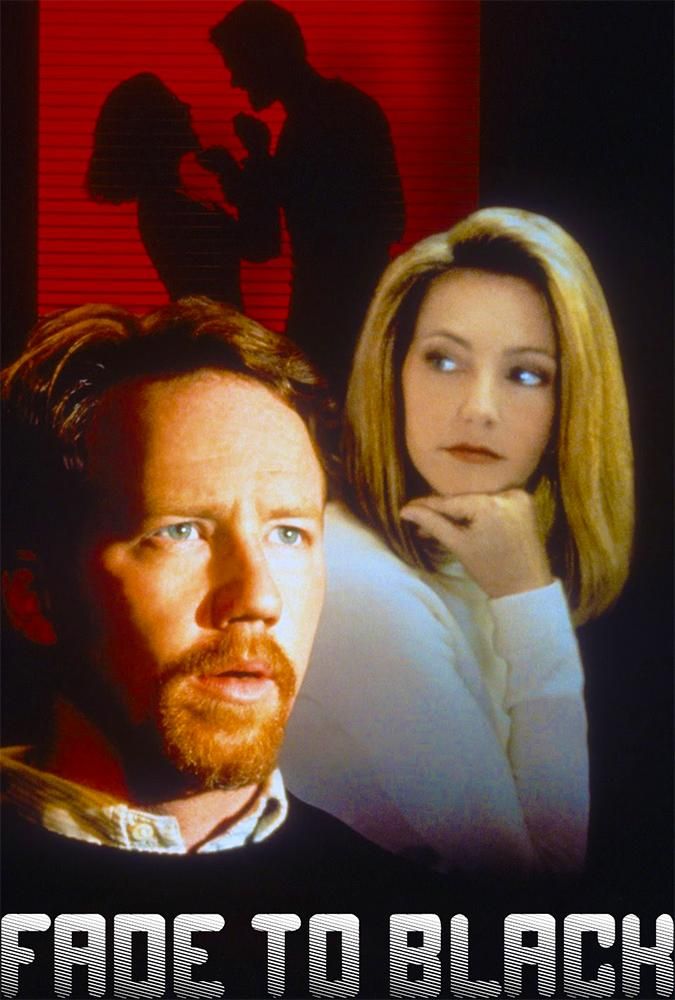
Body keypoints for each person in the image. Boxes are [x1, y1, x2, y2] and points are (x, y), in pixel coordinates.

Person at [1, 298, 445, 999]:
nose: (258, 597)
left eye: (288, 534)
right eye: (180, 531)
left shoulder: (418, 933)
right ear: (34, 596)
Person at [282, 207, 634, 875]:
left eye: (526, 374)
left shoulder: (463, 553)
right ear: (394, 372)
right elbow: (535, 887)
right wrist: (526, 597)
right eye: (443, 360)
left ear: (569, 407)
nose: (478, 408)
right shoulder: (359, 587)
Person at [209, 0, 405, 400]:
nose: (235, 81)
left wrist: (260, 169)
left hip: (336, 319)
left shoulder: (322, 120)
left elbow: (360, 218)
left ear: (265, 55)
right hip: (349, 313)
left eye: (237, 65)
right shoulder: (342, 110)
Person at [85, 73, 278, 307]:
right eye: (174, 106)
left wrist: (234, 174)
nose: (186, 109)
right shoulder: (169, 207)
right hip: (211, 327)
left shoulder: (166, 202)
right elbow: (259, 246)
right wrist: (257, 156)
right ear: (156, 129)